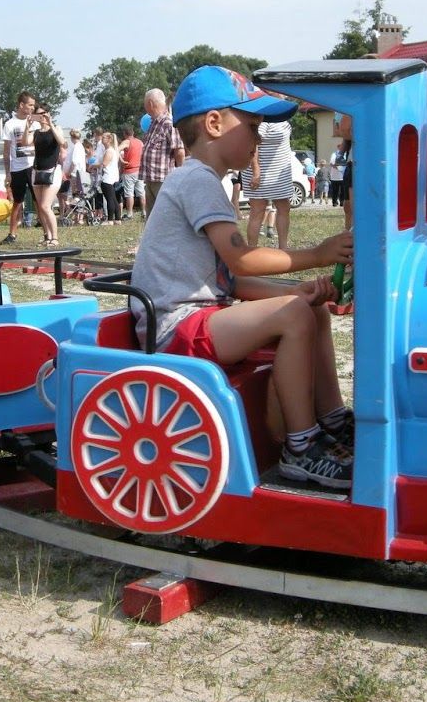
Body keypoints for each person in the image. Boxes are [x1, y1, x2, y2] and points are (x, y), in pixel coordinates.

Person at [130, 65, 355, 489]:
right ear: (214, 123)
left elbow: (227, 282)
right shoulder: (197, 179)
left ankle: (332, 421)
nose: (258, 138)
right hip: (177, 327)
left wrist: (297, 291)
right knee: (294, 316)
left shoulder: (205, 181)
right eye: (252, 126)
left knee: (312, 310)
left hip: (202, 314)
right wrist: (317, 255)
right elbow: (241, 261)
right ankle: (302, 447)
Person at [242, 119, 294, 250]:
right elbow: (253, 142)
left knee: (284, 208)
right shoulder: (263, 118)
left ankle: (283, 249)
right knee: (258, 211)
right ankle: (251, 251)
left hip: (279, 172)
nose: (285, 96)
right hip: (262, 172)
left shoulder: (282, 115)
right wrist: (256, 171)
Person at [138, 88, 184, 212]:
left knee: (165, 215)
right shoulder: (154, 123)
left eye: (145, 103)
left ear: (151, 104)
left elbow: (179, 150)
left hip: (163, 180)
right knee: (152, 218)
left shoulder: (168, 123)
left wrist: (181, 175)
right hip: (151, 179)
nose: (145, 107)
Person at [0, 91, 37, 244]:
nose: (32, 108)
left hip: (33, 166)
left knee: (39, 201)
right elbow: (7, 151)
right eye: (30, 105)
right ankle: (12, 233)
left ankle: (48, 234)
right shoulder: (10, 124)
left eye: (34, 105)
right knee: (17, 201)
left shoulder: (35, 123)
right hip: (17, 168)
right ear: (21, 105)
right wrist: (8, 173)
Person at [30, 104, 65, 246]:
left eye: (44, 113)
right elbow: (25, 142)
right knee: (40, 206)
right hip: (38, 171)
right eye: (39, 114)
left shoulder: (56, 129)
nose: (42, 117)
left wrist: (50, 124)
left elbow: (62, 142)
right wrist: (28, 126)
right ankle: (48, 236)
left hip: (53, 171)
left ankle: (55, 238)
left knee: (45, 205)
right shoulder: (36, 132)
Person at [118, 126, 145, 219]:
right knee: (141, 193)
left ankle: (129, 214)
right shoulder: (140, 142)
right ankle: (144, 212)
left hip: (129, 170)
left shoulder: (126, 142)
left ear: (125, 134)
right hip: (139, 170)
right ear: (133, 133)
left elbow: (117, 150)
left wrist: (121, 160)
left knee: (129, 193)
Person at [98, 131, 121, 223]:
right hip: (112, 177)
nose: (102, 139)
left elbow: (104, 163)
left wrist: (94, 165)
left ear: (108, 140)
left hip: (107, 178)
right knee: (113, 199)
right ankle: (118, 219)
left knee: (110, 199)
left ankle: (110, 219)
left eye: (103, 137)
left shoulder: (109, 151)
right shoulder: (111, 150)